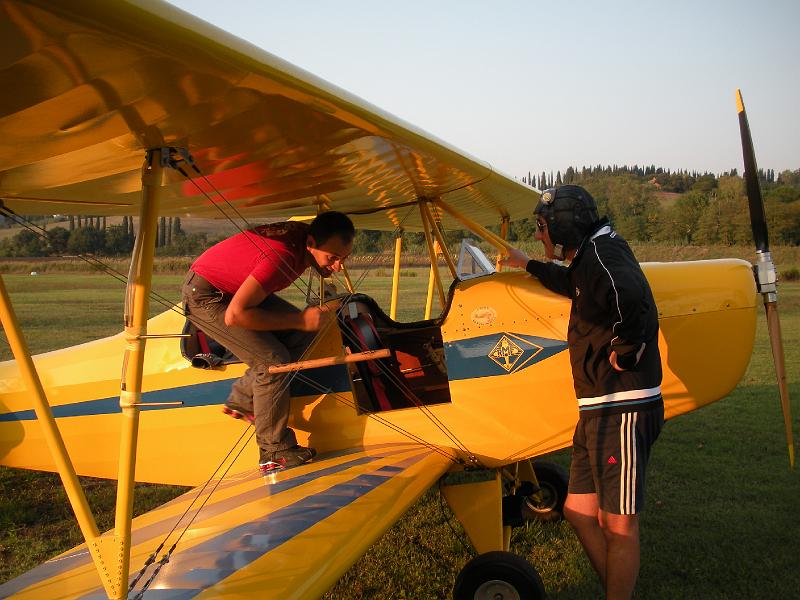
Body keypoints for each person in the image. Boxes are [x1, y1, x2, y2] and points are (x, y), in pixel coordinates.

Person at [502, 185, 663, 600]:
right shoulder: (593, 254)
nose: (539, 234)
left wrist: (627, 351)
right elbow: (576, 282)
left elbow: (632, 295)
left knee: (619, 525)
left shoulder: (604, 255)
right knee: (576, 511)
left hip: (621, 407)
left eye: (541, 227)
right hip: (596, 408)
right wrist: (531, 265)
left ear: (562, 225)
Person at [181, 211, 355, 472]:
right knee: (272, 361)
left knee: (303, 335)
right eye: (332, 258)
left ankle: (245, 399)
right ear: (310, 243)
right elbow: (235, 315)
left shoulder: (304, 243)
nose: (338, 266)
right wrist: (298, 320)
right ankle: (273, 451)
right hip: (209, 296)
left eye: (343, 258)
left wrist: (300, 324)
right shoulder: (283, 256)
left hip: (232, 289)